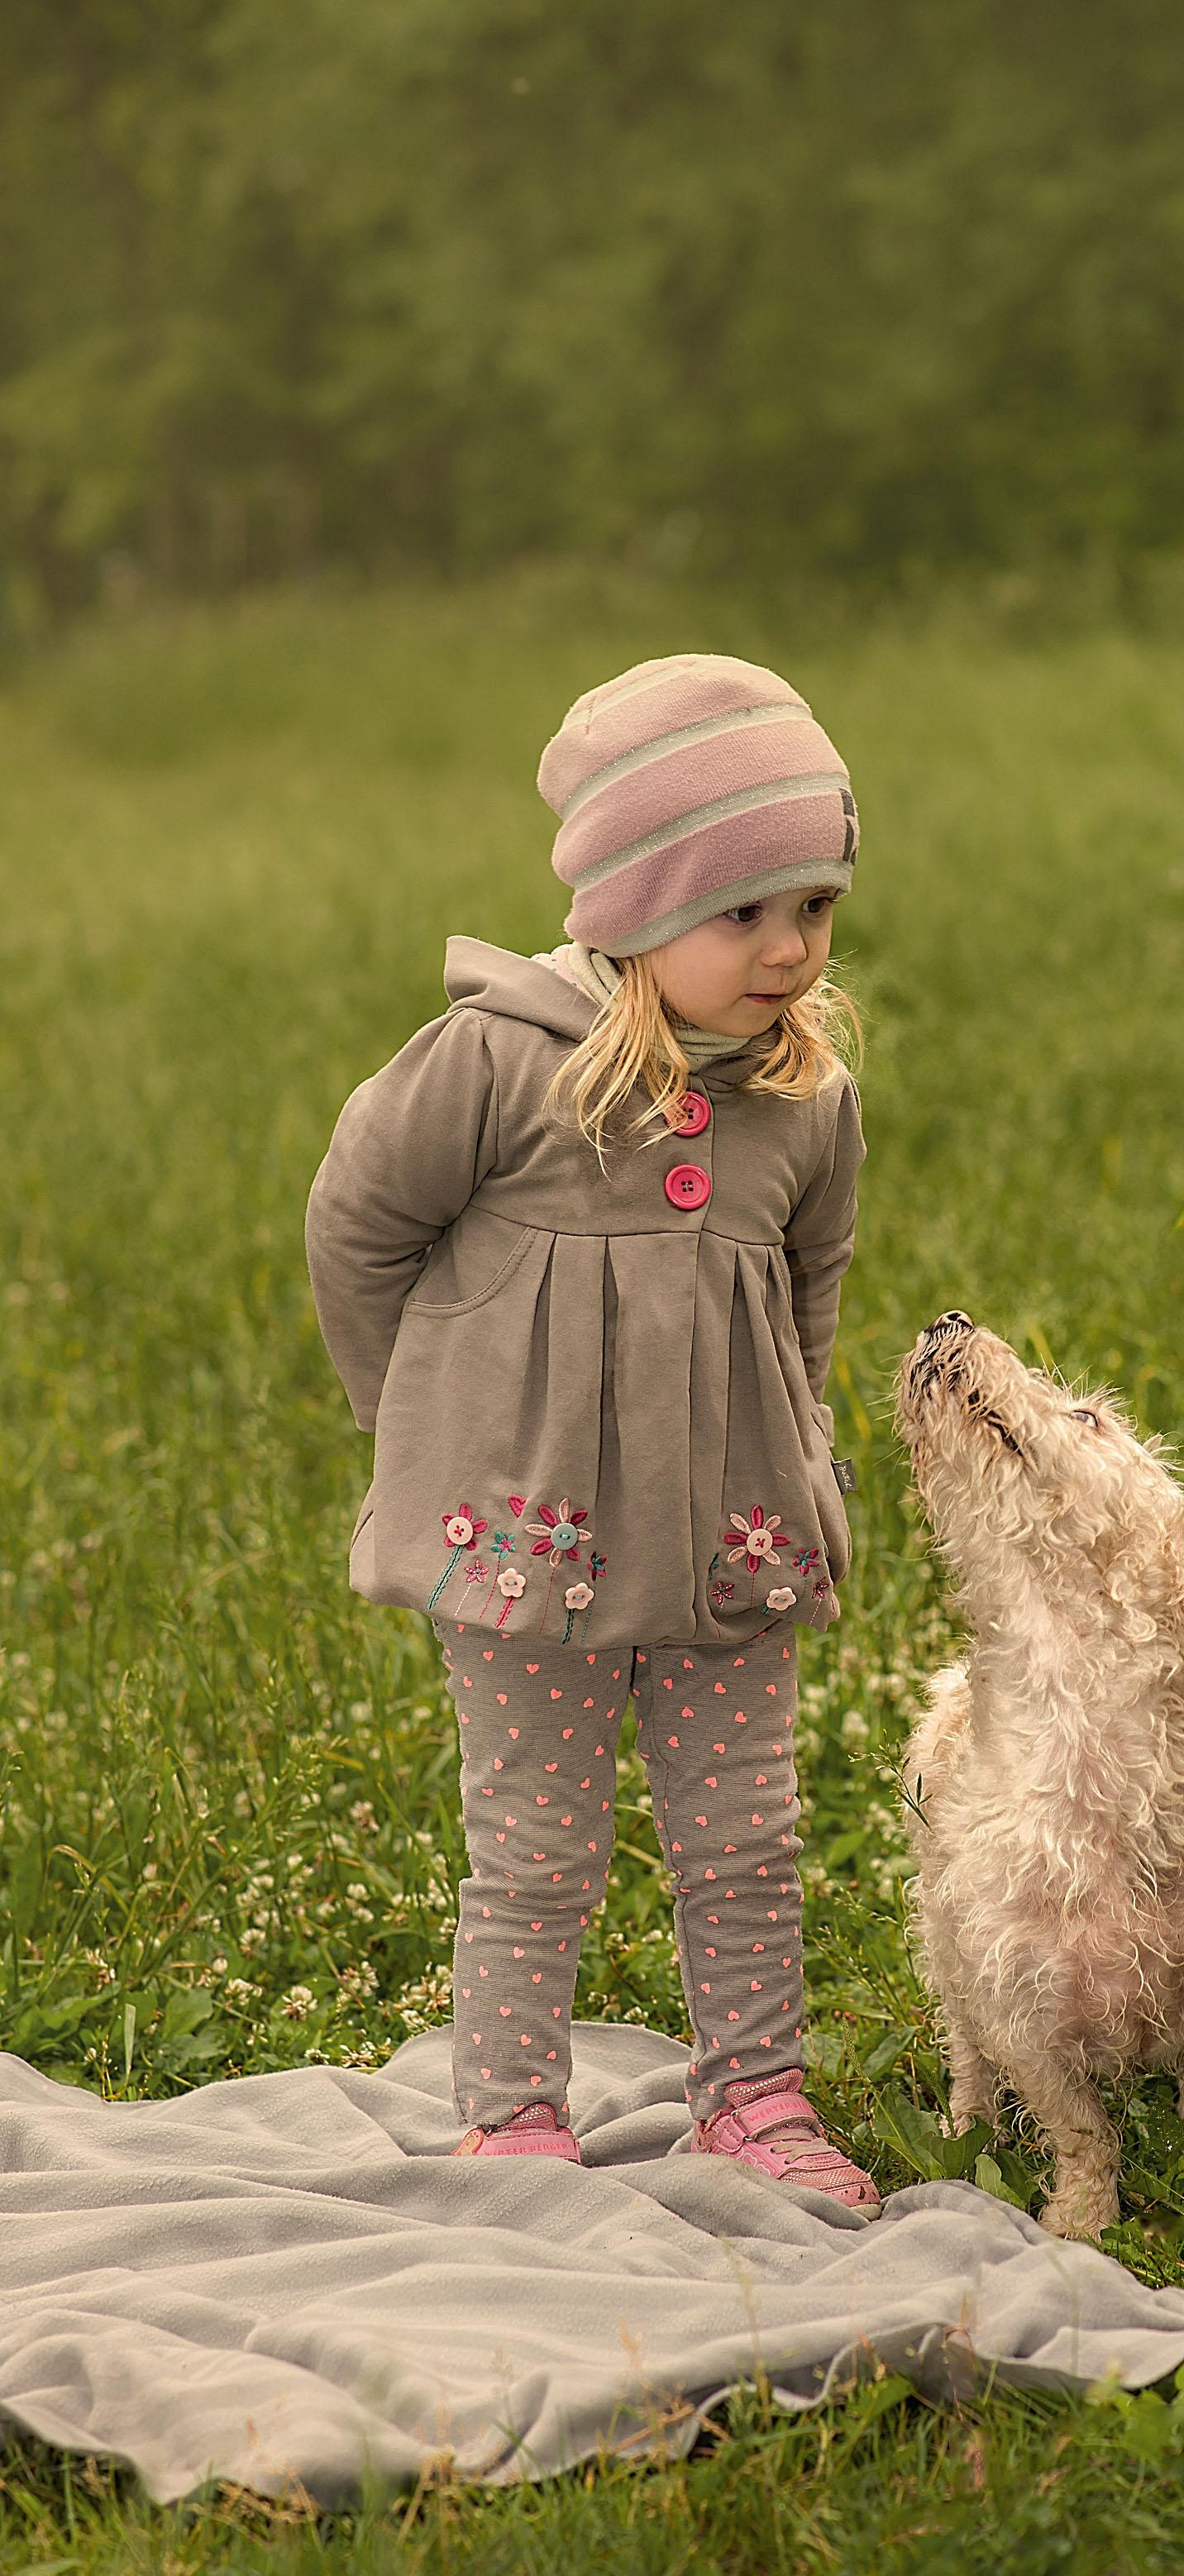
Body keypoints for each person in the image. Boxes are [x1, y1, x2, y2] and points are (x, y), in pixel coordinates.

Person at [304, 653, 881, 2215]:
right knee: (539, 1844)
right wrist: (413, 1432)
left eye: (812, 907)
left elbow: (807, 1285)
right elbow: (356, 1228)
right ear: (632, 909)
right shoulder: (501, 1061)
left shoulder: (802, 1095)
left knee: (748, 1834)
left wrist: (802, 1446)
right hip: (527, 1543)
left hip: (730, 1536)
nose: (788, 949)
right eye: (741, 913)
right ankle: (513, 2117)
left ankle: (752, 2098)